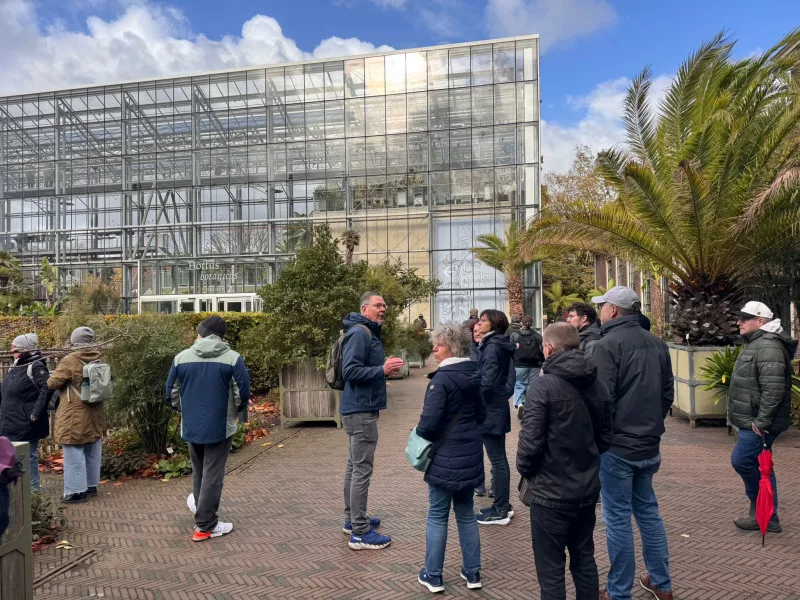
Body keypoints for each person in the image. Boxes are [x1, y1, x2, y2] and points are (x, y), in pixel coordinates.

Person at [517, 322, 612, 600]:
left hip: (549, 493)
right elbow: (606, 438)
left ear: (547, 348)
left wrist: (528, 471)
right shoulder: (599, 384)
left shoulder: (543, 385)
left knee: (551, 571)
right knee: (584, 559)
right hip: (585, 490)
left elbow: (529, 444)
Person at [590, 287, 674, 600]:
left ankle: (618, 591)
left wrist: (602, 439)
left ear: (613, 310)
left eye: (603, 306)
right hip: (648, 444)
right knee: (648, 513)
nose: (600, 310)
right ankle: (662, 584)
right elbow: (668, 393)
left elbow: (601, 400)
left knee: (617, 519)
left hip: (617, 448)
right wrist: (653, 426)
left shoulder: (606, 344)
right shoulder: (657, 343)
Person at [165, 315, 250, 541]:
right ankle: (205, 526)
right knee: (213, 474)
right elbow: (242, 394)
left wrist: (186, 411)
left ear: (202, 333)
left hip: (192, 425)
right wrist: (234, 413)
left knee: (200, 470)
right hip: (220, 427)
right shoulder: (233, 359)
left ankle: (201, 511)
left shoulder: (181, 358)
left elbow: (170, 393)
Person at [416, 324, 486, 593]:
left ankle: (433, 574)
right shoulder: (473, 376)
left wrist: (419, 432)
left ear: (453, 348)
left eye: (440, 344)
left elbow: (429, 424)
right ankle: (472, 572)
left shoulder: (441, 380)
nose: (434, 348)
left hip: (444, 457)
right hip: (469, 454)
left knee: (437, 515)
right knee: (466, 514)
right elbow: (481, 414)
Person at [340, 292, 404, 550]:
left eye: (385, 305)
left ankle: (352, 520)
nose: (383, 309)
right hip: (360, 411)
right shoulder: (360, 333)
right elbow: (350, 371)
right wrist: (382, 370)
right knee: (361, 470)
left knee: (354, 467)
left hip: (359, 408)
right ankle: (359, 532)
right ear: (365, 309)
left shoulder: (367, 332)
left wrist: (383, 367)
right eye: (378, 305)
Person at [728, 301, 796, 534]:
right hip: (754, 419)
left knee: (741, 460)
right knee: (761, 465)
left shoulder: (768, 346)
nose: (739, 322)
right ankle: (768, 515)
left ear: (761, 322)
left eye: (744, 318)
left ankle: (762, 508)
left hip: (758, 423)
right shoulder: (757, 343)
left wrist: (762, 422)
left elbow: (774, 389)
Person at [47, 327, 104, 504]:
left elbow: (52, 382)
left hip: (74, 412)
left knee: (73, 451)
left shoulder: (70, 360)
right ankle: (91, 485)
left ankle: (75, 491)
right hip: (95, 411)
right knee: (92, 448)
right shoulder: (100, 357)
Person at [474, 309, 516, 525]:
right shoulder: (499, 345)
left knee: (497, 460)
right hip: (496, 408)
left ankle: (500, 509)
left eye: (483, 321)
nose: (478, 325)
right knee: (499, 459)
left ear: (494, 325)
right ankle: (503, 505)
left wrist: (473, 400)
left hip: (490, 411)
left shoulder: (492, 347)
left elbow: (487, 382)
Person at [0, 334, 51, 491]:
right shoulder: (17, 365)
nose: (12, 349)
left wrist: (35, 412)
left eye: (15, 347)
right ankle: (16, 488)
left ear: (25, 349)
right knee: (9, 454)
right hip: (10, 420)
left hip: (26, 422)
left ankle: (33, 490)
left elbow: (47, 388)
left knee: (28, 456)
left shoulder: (35, 366)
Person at [510, 315, 544, 419]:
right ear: (532, 323)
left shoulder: (515, 335)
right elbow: (540, 348)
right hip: (534, 364)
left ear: (521, 323)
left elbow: (511, 348)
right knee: (531, 385)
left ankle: (520, 403)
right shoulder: (537, 336)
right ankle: (530, 405)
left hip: (519, 364)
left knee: (519, 383)